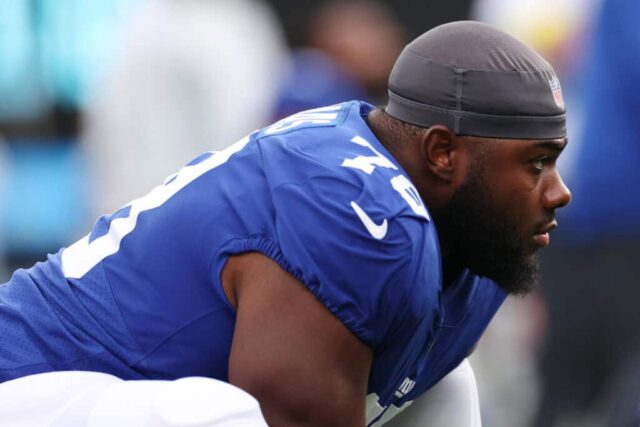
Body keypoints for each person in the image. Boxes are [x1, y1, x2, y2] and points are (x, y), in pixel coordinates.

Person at [0, 21, 571, 426]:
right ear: (443, 152)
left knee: (447, 386)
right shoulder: (360, 206)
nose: (559, 191)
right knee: (227, 418)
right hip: (28, 386)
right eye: (536, 162)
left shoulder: (459, 241)